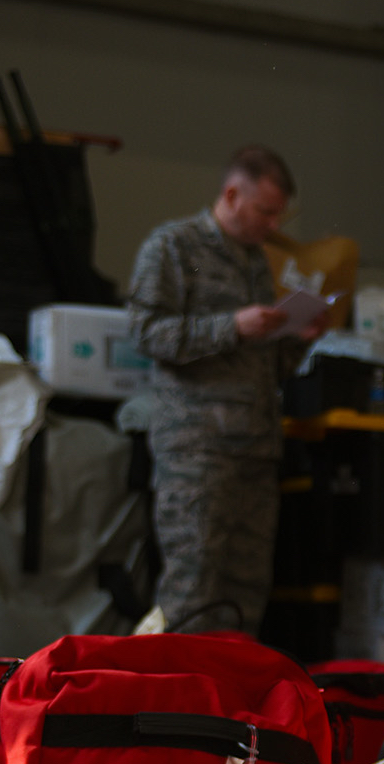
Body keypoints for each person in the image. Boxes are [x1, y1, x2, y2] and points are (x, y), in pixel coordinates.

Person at [126, 145, 325, 634]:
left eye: (279, 215)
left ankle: (231, 702)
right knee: (193, 586)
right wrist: (231, 327)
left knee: (246, 590)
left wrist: (296, 340)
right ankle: (175, 701)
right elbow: (146, 333)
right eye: (265, 212)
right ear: (232, 195)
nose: (273, 225)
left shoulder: (258, 262)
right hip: (198, 449)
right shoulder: (175, 247)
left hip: (255, 449)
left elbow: (261, 361)